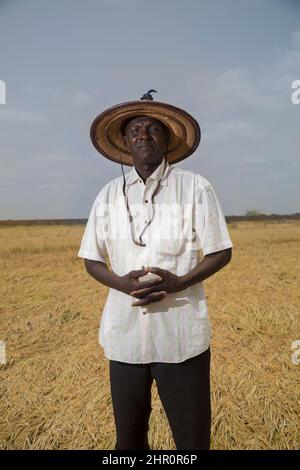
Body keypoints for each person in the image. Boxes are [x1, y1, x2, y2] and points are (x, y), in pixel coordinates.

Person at [77, 91, 233, 450]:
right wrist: (120, 282)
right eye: (135, 130)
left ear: (166, 140)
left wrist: (180, 282)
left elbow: (221, 251)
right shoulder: (107, 195)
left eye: (152, 129)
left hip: (181, 337)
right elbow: (91, 259)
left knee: (192, 443)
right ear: (125, 142)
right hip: (124, 338)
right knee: (129, 443)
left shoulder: (195, 187)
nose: (143, 134)